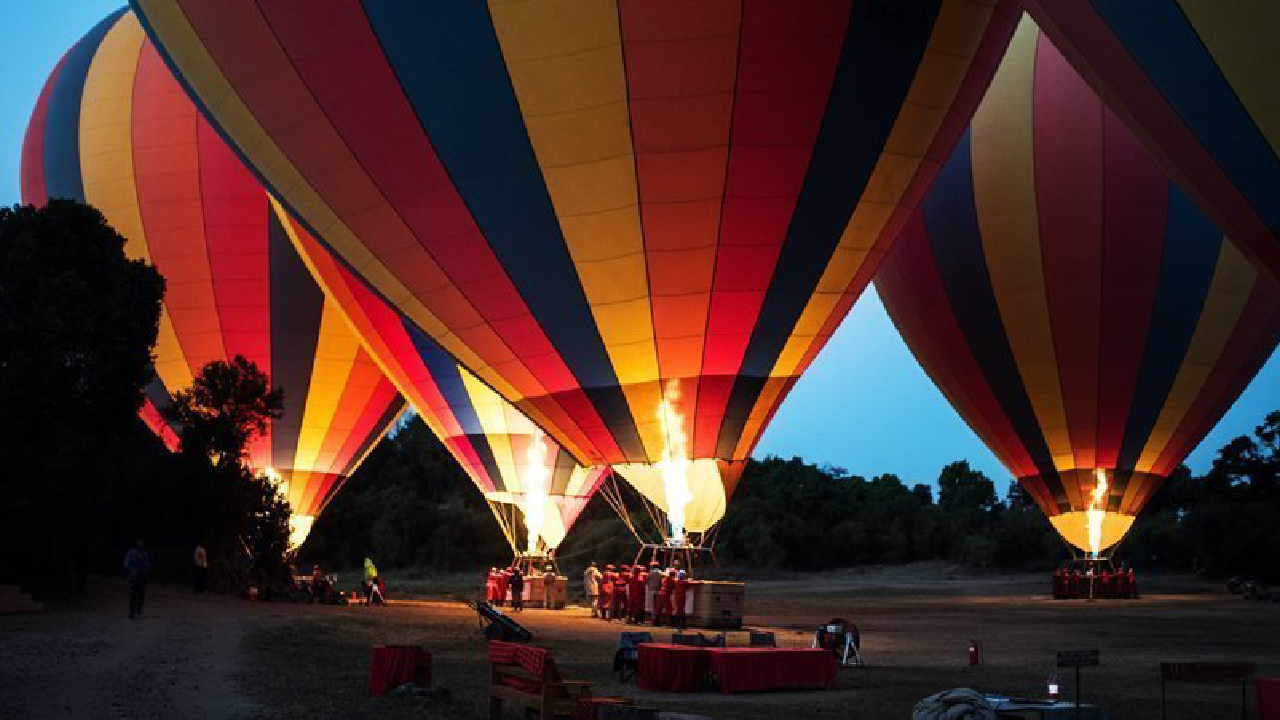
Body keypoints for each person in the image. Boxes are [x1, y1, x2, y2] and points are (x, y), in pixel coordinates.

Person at [123, 540, 150, 620]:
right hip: (134, 577)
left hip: (141, 576)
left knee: (141, 594)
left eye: (142, 544)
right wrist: (132, 570)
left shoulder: (145, 553)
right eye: (139, 544)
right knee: (133, 595)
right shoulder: (131, 553)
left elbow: (148, 564)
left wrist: (146, 568)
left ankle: (138, 608)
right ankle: (131, 612)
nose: (141, 545)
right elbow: (126, 564)